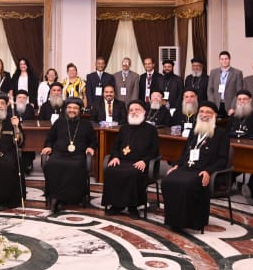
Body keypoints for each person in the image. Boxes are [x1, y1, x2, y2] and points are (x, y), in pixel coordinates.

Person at [161, 102, 229, 232]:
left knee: (186, 184)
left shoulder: (221, 134)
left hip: (201, 171)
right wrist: (176, 165)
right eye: (202, 112)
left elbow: (222, 159)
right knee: (167, 181)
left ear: (214, 115)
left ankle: (188, 221)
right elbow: (185, 153)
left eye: (208, 112)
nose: (204, 115)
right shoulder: (195, 130)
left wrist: (208, 171)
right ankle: (173, 220)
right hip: (186, 168)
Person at [102, 101, 160, 216]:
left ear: (143, 111)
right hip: (122, 161)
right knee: (110, 170)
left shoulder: (151, 130)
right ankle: (116, 205)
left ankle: (133, 207)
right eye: (131, 110)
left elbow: (155, 151)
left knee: (133, 173)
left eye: (137, 109)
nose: (133, 112)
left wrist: (145, 161)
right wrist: (114, 157)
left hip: (139, 162)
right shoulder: (124, 128)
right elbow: (115, 146)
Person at [40, 97, 97, 213]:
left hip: (78, 155)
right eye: (69, 108)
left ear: (80, 110)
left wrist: (91, 147)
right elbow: (50, 138)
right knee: (52, 164)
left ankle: (69, 198)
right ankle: (55, 197)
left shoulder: (86, 124)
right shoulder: (59, 122)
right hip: (59, 154)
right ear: (65, 109)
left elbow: (93, 141)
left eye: (75, 108)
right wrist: (48, 146)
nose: (72, 110)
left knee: (74, 166)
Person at [208, 51, 244, 116]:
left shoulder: (237, 73)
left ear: (229, 59)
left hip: (230, 106)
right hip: (216, 105)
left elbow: (239, 92)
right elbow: (210, 90)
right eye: (222, 59)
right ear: (219, 60)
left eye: (226, 59)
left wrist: (233, 107)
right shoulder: (213, 72)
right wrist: (212, 105)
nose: (224, 61)